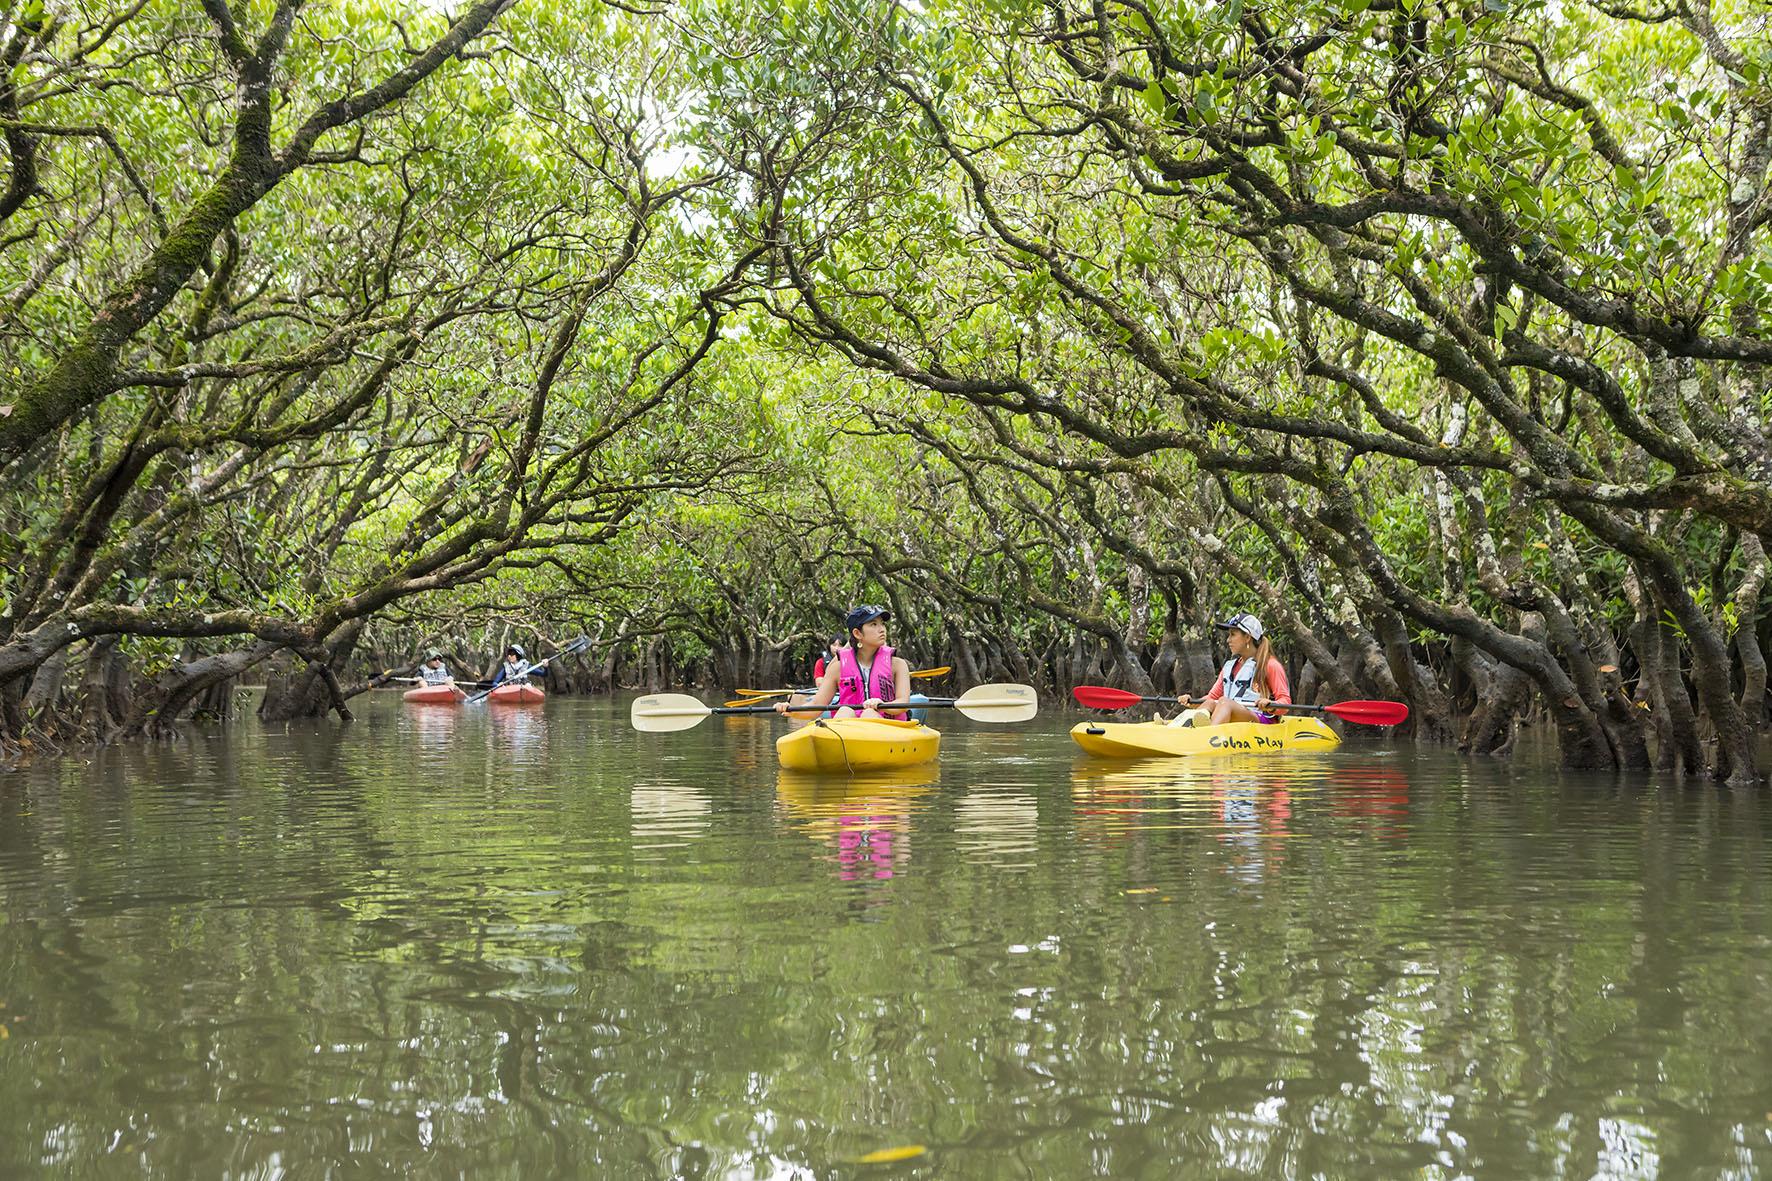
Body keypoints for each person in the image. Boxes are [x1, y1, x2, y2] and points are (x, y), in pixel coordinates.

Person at [779, 605, 914, 719]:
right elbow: (816, 703)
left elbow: (903, 702)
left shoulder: (897, 664)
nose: (882, 629)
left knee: (869, 713)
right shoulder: (838, 667)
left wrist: (881, 704)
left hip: (887, 727)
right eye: (874, 624)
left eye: (882, 624)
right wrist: (791, 710)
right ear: (857, 634)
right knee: (844, 711)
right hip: (850, 729)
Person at [1171, 613, 1292, 726]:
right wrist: (1193, 702)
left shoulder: (1270, 665)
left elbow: (1285, 702)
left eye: (1233, 634)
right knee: (1211, 703)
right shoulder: (1230, 666)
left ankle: (1206, 735)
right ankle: (1179, 727)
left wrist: (1270, 705)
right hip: (1233, 718)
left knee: (1224, 702)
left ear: (1247, 637)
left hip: (1260, 720)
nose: (1228, 640)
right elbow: (1212, 697)